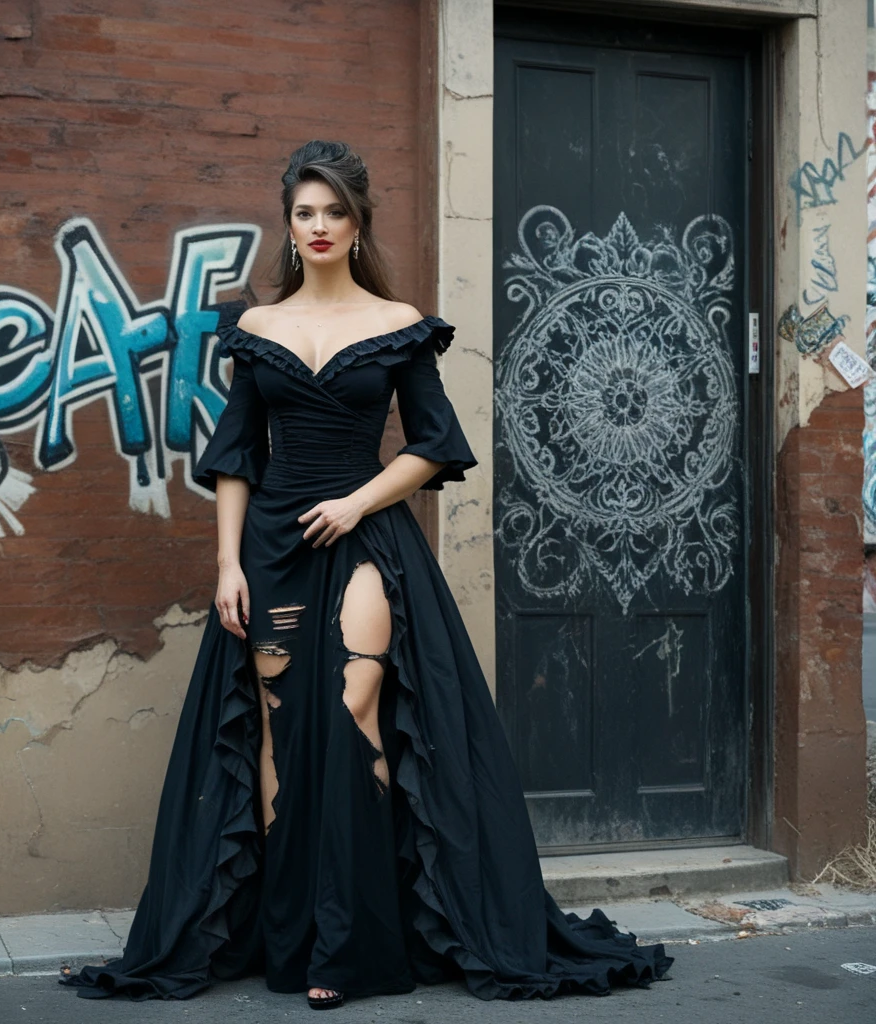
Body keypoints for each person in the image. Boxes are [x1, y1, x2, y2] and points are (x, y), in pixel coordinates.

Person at [61, 140, 672, 1009]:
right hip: (270, 548)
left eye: (333, 212)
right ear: (290, 223)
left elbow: (434, 445)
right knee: (278, 729)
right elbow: (235, 457)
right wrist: (227, 562)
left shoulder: (398, 324)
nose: (317, 226)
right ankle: (293, 932)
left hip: (364, 547)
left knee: (354, 714)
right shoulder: (258, 327)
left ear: (358, 224)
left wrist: (357, 504)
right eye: (304, 212)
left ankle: (352, 941)